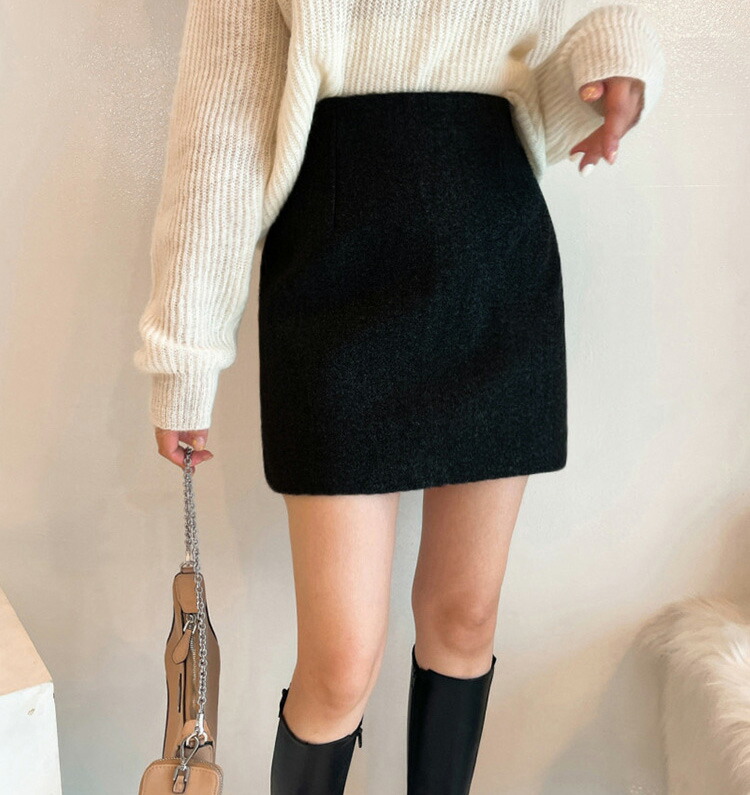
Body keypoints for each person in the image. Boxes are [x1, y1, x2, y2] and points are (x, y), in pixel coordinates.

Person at [133, 1, 666, 792]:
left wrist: (617, 59)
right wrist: (185, 350)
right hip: (334, 258)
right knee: (340, 661)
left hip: (494, 252)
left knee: (465, 617)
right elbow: (222, 125)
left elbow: (586, 32)